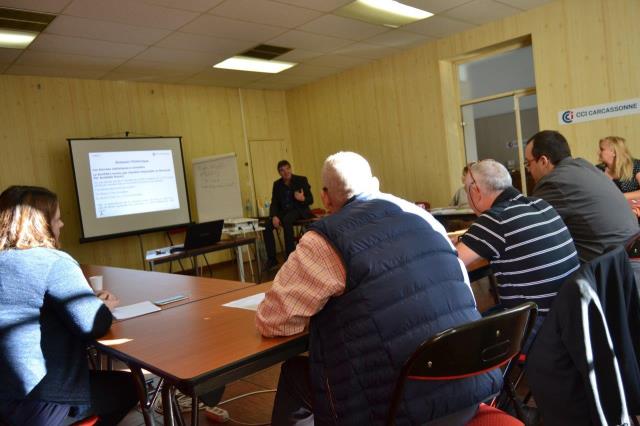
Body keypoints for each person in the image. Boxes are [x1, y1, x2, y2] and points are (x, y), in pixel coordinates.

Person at [256, 152, 502, 425]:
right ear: (375, 183)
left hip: (400, 409)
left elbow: (273, 320)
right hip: (471, 385)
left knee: (295, 374)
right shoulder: (424, 218)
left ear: (325, 198)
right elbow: (463, 289)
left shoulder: (323, 240)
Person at [0, 186, 138, 426]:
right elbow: (92, 325)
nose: (61, 224)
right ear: (41, 224)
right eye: (57, 218)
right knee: (131, 387)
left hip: (5, 394)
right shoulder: (53, 261)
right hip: (40, 403)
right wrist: (101, 306)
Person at [456, 159, 580, 351]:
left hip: (537, 327)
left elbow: (450, 263)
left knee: (458, 337)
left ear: (475, 191)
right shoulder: (540, 204)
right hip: (570, 318)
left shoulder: (496, 218)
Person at [525, 130, 639, 262]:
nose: (529, 170)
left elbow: (532, 231)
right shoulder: (584, 165)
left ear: (544, 161)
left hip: (612, 265)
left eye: (528, 163)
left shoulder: (552, 183)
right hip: (630, 250)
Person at [263, 160, 314, 270]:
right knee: (267, 226)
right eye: (282, 170)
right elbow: (274, 203)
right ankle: (272, 259)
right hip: (284, 212)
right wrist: (274, 216)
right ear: (279, 173)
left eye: (287, 169)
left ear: (290, 169)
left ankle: (290, 258)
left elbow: (311, 199)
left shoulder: (301, 180)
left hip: (299, 210)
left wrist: (302, 198)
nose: (286, 172)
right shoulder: (277, 184)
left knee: (287, 220)